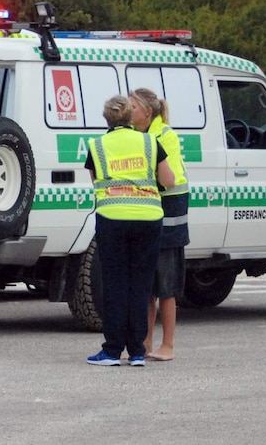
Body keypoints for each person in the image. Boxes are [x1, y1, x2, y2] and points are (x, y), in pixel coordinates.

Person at [85, 95, 176, 366]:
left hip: (112, 218)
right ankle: (137, 351)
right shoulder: (150, 142)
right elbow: (168, 180)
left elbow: (96, 181)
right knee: (141, 285)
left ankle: (112, 350)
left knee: (114, 285)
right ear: (130, 116)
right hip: (148, 219)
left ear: (107, 118)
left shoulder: (97, 145)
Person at [130, 88, 189, 362]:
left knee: (165, 286)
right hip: (148, 214)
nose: (129, 112)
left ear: (147, 112)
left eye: (133, 107)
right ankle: (145, 341)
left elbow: (170, 179)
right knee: (147, 287)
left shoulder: (166, 135)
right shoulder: (137, 136)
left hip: (169, 217)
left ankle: (168, 345)